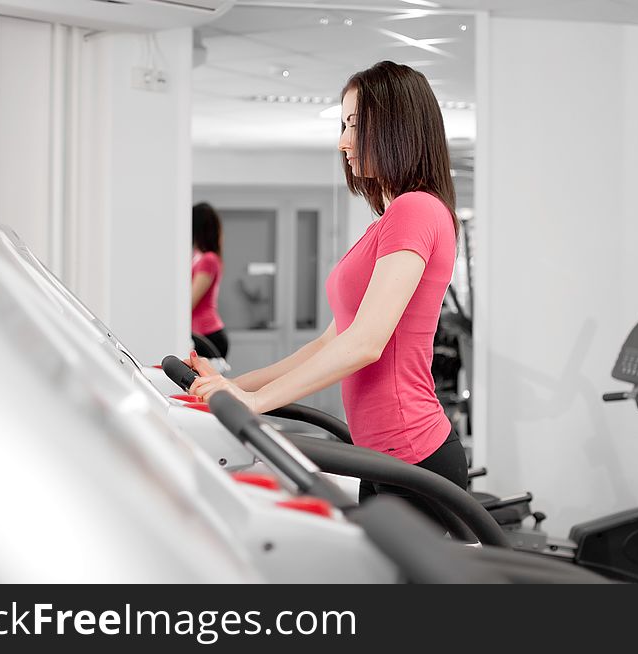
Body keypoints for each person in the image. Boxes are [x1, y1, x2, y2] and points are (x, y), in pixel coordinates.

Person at [187, 61, 467, 524]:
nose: (343, 141)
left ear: (395, 124)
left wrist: (257, 403)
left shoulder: (416, 210)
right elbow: (331, 341)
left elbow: (365, 343)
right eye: (343, 125)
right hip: (383, 453)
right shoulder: (395, 217)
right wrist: (237, 386)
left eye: (355, 124)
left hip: (412, 452)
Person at [191, 202, 229, 361]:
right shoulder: (197, 257)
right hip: (200, 333)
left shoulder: (208, 259)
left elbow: (191, 301)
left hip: (208, 336)